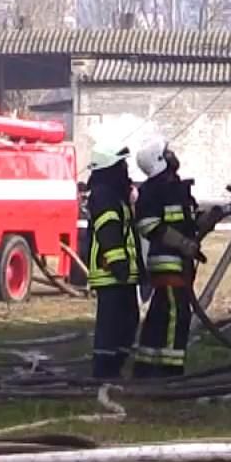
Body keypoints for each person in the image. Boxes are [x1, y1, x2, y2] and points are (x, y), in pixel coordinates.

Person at [131, 142, 203, 379]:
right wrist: (183, 244)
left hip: (178, 261)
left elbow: (186, 223)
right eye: (167, 153)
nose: (173, 156)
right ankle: (170, 370)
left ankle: (145, 366)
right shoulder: (153, 190)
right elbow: (148, 225)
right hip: (167, 262)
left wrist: (208, 219)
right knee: (177, 314)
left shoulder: (174, 186)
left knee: (160, 314)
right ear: (158, 160)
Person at [85, 144, 141, 380]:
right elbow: (108, 231)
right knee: (111, 324)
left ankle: (115, 367)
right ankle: (103, 371)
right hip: (110, 272)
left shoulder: (114, 194)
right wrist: (119, 263)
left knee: (128, 320)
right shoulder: (104, 195)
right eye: (121, 166)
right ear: (109, 169)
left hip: (122, 273)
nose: (125, 171)